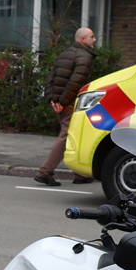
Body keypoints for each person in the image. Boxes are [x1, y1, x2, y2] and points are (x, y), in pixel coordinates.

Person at [34, 27, 97, 186]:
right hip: (70, 102)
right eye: (91, 37)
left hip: (61, 101)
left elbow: (51, 77)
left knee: (74, 135)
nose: (94, 40)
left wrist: (52, 99)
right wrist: (62, 102)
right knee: (67, 136)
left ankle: (80, 174)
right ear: (82, 40)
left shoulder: (65, 53)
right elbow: (75, 83)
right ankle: (45, 172)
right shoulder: (84, 57)